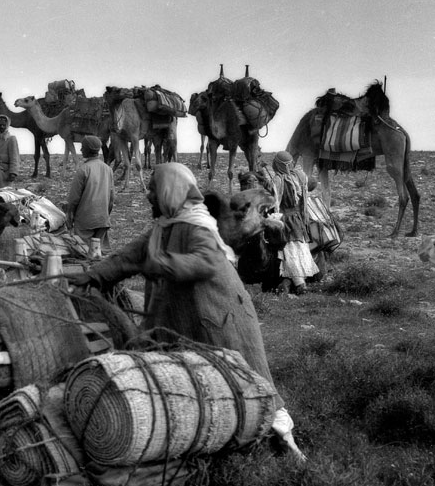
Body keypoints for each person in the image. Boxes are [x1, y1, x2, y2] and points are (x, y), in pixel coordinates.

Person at [66, 162, 304, 459]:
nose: (148, 195)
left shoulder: (196, 226)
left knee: (245, 378)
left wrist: (160, 264)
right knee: (201, 384)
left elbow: (204, 262)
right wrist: (91, 276)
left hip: (220, 320)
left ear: (171, 191)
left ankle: (283, 444)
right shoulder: (166, 226)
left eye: (154, 189)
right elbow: (128, 257)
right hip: (188, 317)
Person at [258, 151, 319, 295]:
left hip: (285, 220)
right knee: (299, 250)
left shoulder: (278, 180)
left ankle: (299, 284)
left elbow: (273, 197)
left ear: (277, 165)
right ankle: (299, 282)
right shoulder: (300, 176)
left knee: (290, 251)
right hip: (298, 218)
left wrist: (262, 176)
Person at [66, 134, 114, 253]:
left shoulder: (83, 170)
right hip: (102, 221)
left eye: (83, 147)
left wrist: (70, 216)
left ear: (88, 149)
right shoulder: (108, 169)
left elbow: (73, 199)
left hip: (85, 222)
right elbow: (111, 199)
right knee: (97, 253)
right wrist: (105, 215)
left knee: (83, 254)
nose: (81, 149)